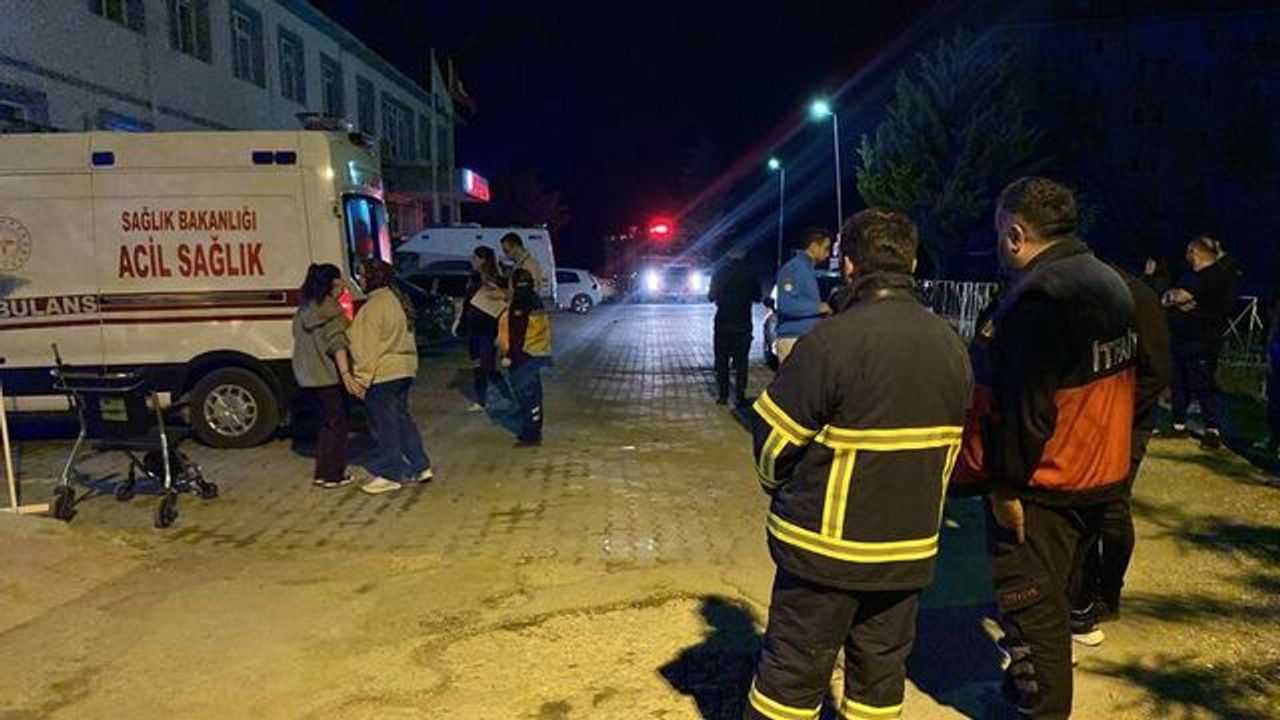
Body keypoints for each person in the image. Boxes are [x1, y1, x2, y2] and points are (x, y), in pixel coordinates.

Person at [744, 208, 972, 720]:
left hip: (824, 553)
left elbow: (773, 442)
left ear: (848, 265)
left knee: (790, 678)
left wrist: (777, 487)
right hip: (908, 551)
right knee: (879, 680)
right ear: (912, 263)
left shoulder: (831, 341)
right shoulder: (951, 345)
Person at [982, 177, 1137, 719]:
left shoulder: (1040, 299)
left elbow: (1027, 411)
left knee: (1032, 609)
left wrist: (1004, 487)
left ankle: (1043, 709)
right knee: (1060, 590)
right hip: (1101, 472)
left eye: (1000, 234)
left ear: (1015, 234)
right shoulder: (1109, 281)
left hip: (1047, 481)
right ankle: (1019, 693)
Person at [1068, 261, 1171, 646]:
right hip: (1089, 419)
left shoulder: (1136, 298)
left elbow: (1156, 372)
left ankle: (1107, 591)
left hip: (1127, 422)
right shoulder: (1079, 291)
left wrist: (1115, 415)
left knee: (1111, 507)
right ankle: (1081, 589)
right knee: (1084, 506)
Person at [349, 259, 433, 494]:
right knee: (403, 420)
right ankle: (421, 466)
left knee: (385, 426)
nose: (360, 279)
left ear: (372, 278)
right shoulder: (398, 301)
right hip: (404, 369)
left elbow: (366, 348)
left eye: (362, 275)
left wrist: (361, 379)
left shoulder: (373, 307)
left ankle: (391, 474)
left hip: (383, 374)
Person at [1162, 235, 1240, 450]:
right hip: (1182, 338)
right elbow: (1169, 297)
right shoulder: (1192, 276)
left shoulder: (1215, 276)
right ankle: (1178, 424)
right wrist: (1174, 298)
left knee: (1203, 383)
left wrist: (1176, 298)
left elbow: (1178, 297)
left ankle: (1212, 430)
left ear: (1194, 253)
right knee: (1179, 381)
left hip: (1203, 340)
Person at [290, 263, 359, 489]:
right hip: (328, 377)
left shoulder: (304, 311)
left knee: (326, 424)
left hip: (307, 377)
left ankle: (323, 472)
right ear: (331, 284)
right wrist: (346, 374)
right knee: (338, 424)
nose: (343, 287)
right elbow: (338, 344)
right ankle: (332, 474)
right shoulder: (333, 311)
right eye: (339, 283)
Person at [499, 269, 551, 447]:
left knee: (528, 398)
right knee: (532, 396)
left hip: (523, 357)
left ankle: (531, 436)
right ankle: (532, 432)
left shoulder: (521, 302)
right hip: (533, 355)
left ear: (515, 284)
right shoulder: (534, 299)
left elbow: (517, 334)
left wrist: (509, 356)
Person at [708, 246, 761, 406]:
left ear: (729, 253)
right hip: (743, 323)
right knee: (742, 362)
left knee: (722, 361)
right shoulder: (750, 272)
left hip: (723, 323)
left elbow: (711, 296)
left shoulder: (719, 272)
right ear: (744, 253)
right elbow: (758, 297)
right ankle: (740, 395)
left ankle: (723, 395)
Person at [460, 246, 509, 412]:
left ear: (483, 260)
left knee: (489, 367)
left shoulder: (498, 280)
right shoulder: (473, 279)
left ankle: (509, 396)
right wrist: (462, 323)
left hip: (488, 329)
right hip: (473, 328)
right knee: (477, 366)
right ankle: (480, 401)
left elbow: (505, 303)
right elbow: (467, 303)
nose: (472, 260)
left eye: (474, 258)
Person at [773, 228, 833, 363]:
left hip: (808, 337)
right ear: (813, 246)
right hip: (793, 339)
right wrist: (819, 308)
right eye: (825, 248)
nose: (828, 254)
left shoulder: (808, 269)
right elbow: (786, 305)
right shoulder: (793, 268)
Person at [500, 232, 544, 299]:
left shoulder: (528, 265)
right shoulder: (520, 264)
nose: (505, 254)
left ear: (515, 247)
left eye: (506, 251)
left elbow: (527, 291)